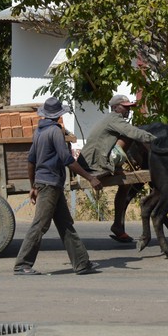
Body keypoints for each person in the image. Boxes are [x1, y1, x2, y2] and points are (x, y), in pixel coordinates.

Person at [14, 97, 104, 276]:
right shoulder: (55, 131)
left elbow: (31, 161)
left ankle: (81, 263)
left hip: (47, 183)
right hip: (50, 184)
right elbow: (67, 160)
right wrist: (90, 177)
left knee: (65, 224)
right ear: (58, 115)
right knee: (40, 225)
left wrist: (33, 185)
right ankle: (22, 264)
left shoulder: (38, 131)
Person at [79, 93, 158, 243]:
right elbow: (134, 133)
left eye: (129, 108)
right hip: (94, 164)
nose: (128, 110)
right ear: (115, 108)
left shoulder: (114, 120)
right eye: (125, 107)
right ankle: (151, 159)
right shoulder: (114, 119)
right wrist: (158, 140)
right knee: (131, 134)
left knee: (126, 186)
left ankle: (118, 226)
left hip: (97, 159)